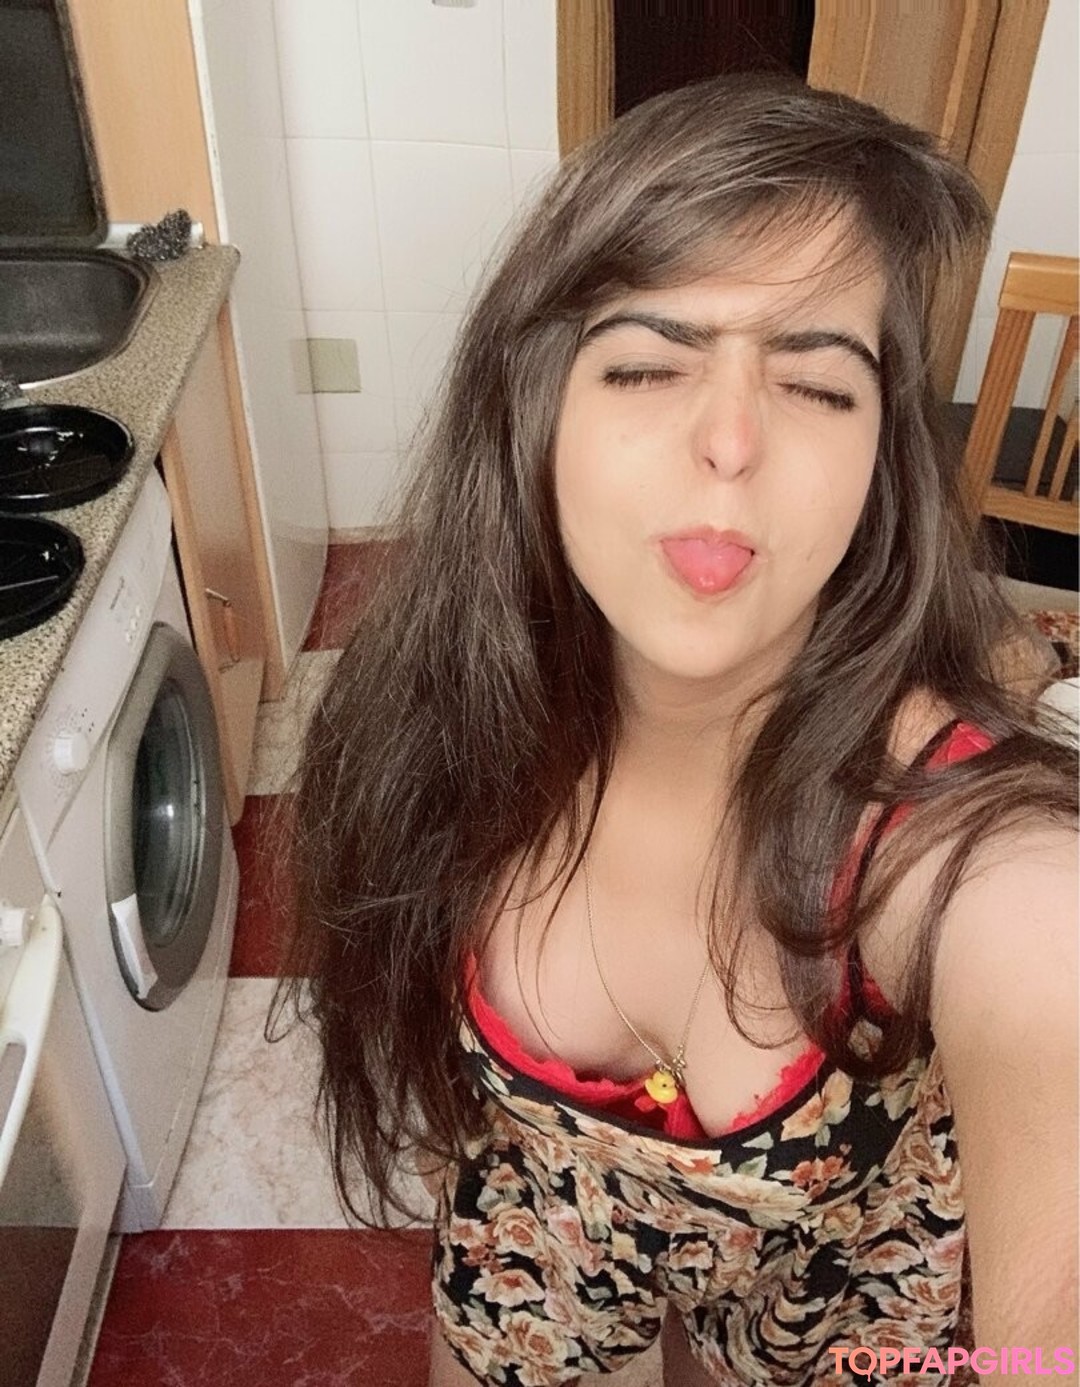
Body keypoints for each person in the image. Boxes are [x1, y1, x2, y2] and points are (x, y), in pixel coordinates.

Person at [278, 74, 1078, 1386]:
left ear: (882, 462)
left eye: (818, 384)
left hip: (845, 1298)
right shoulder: (439, 709)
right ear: (536, 408)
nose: (730, 440)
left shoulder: (975, 858)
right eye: (648, 363)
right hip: (545, 1222)